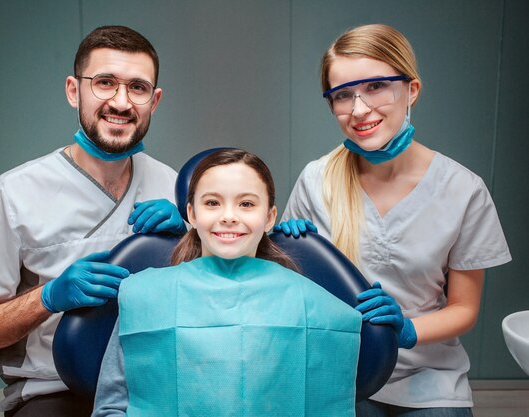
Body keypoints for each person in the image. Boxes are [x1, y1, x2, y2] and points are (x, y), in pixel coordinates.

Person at [277, 24, 512, 416]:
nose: (359, 110)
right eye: (342, 95)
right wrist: (284, 255)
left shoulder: (463, 190)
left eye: (375, 87)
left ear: (411, 90)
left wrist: (409, 329)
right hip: (342, 371)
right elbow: (289, 296)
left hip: (429, 378)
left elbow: (464, 309)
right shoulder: (316, 180)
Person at [0, 26, 187, 417]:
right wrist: (47, 298)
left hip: (153, 385)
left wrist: (192, 238)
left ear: (155, 100)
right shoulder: (13, 193)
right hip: (53, 390)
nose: (121, 102)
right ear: (74, 91)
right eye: (105, 83)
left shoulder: (173, 185)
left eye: (138, 88)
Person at [91, 149, 362, 417]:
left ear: (269, 217)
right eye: (212, 203)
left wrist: (386, 327)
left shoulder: (310, 305)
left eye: (246, 204)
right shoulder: (144, 298)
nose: (229, 216)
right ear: (191, 214)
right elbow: (110, 407)